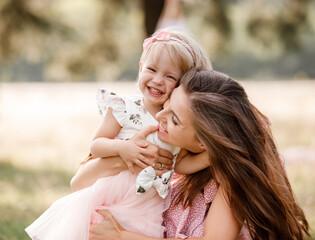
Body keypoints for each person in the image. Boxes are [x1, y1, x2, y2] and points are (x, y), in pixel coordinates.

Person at [25, 29, 212, 240]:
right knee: (95, 231)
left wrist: (209, 157)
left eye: (170, 76)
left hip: (146, 206)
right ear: (141, 68)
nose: (158, 80)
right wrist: (124, 148)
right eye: (152, 69)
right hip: (110, 193)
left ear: (181, 85)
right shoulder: (125, 107)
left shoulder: (175, 123)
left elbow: (179, 164)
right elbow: (97, 145)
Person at [84, 70, 311, 239]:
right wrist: (124, 156)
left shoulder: (231, 178)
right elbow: (78, 184)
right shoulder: (170, 149)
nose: (160, 116)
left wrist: (122, 236)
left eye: (174, 120)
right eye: (167, 103)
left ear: (203, 142)